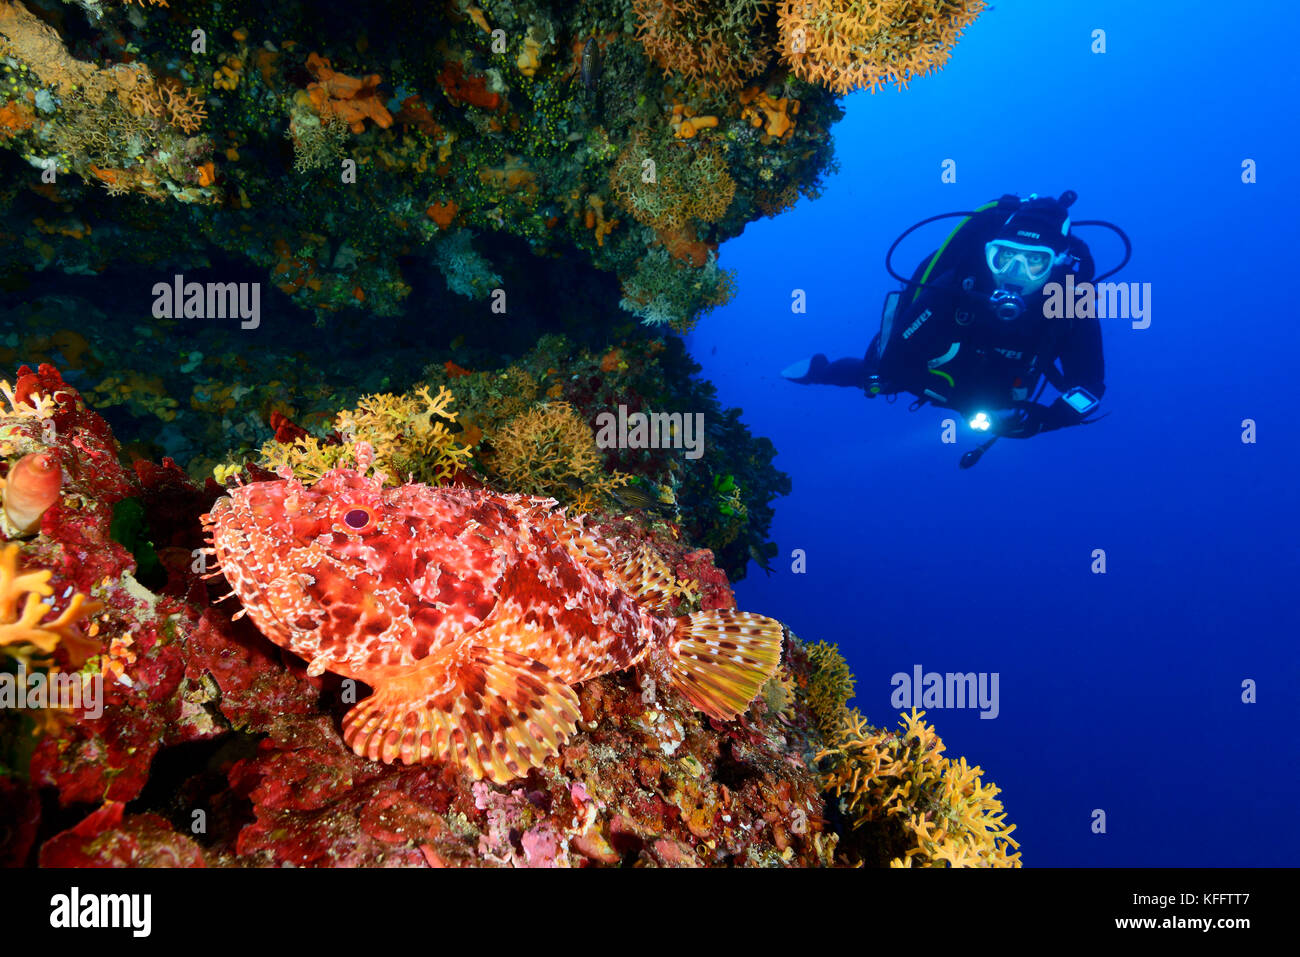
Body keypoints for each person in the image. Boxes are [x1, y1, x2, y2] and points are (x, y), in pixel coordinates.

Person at [783, 192, 1129, 467]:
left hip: (1002, 397)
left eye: (1033, 261)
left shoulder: (1068, 300)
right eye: (1004, 256)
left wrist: (1045, 420)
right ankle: (821, 370)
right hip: (933, 377)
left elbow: (1090, 389)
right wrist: (965, 406)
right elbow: (895, 363)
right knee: (877, 377)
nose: (1013, 271)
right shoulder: (961, 283)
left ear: (1055, 264)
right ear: (988, 253)